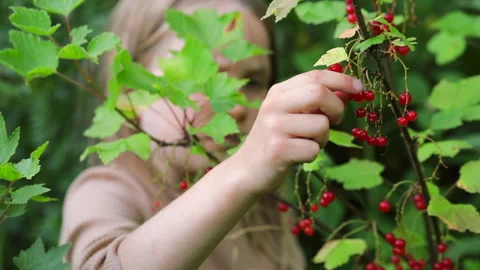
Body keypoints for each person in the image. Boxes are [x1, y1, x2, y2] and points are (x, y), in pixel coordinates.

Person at [59, 0, 365, 269]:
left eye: (254, 81)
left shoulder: (265, 209)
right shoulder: (107, 190)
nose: (235, 108)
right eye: (205, 77)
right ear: (131, 90)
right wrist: (243, 170)